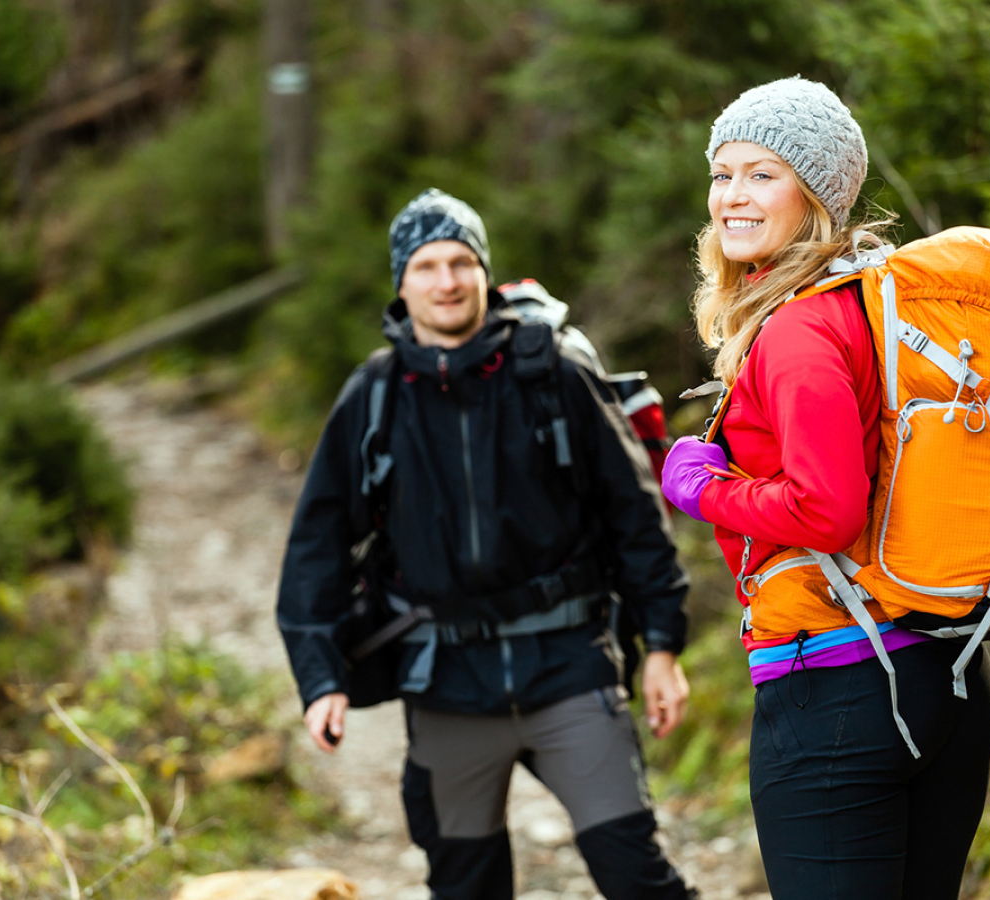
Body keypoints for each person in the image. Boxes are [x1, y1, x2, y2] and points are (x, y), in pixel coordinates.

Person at [277, 188, 698, 900]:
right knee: (465, 889)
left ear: (484, 271)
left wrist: (660, 645)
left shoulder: (553, 372)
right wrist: (320, 678)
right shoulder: (375, 395)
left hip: (569, 668)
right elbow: (317, 543)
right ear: (401, 282)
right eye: (428, 266)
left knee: (637, 878)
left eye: (461, 262)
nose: (446, 281)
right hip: (445, 686)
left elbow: (633, 513)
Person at [660, 78, 990, 900]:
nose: (733, 196)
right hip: (944, 672)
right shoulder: (876, 302)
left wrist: (705, 490)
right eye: (723, 173)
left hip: (842, 688)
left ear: (818, 194)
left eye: (762, 174)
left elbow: (828, 508)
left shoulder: (802, 328)